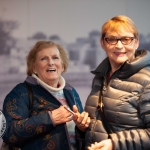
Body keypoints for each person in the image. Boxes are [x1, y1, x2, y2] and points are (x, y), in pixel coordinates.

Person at [2, 41, 90, 150]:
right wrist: (50, 118)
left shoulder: (71, 92)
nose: (51, 63)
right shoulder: (20, 93)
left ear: (62, 66)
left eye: (55, 58)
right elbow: (8, 133)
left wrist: (82, 128)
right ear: (34, 68)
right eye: (44, 58)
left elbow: (78, 138)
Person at [84, 15, 150, 150]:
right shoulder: (100, 78)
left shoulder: (147, 81)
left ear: (136, 42)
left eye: (126, 39)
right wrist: (83, 127)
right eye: (112, 39)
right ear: (102, 43)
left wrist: (115, 143)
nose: (119, 45)